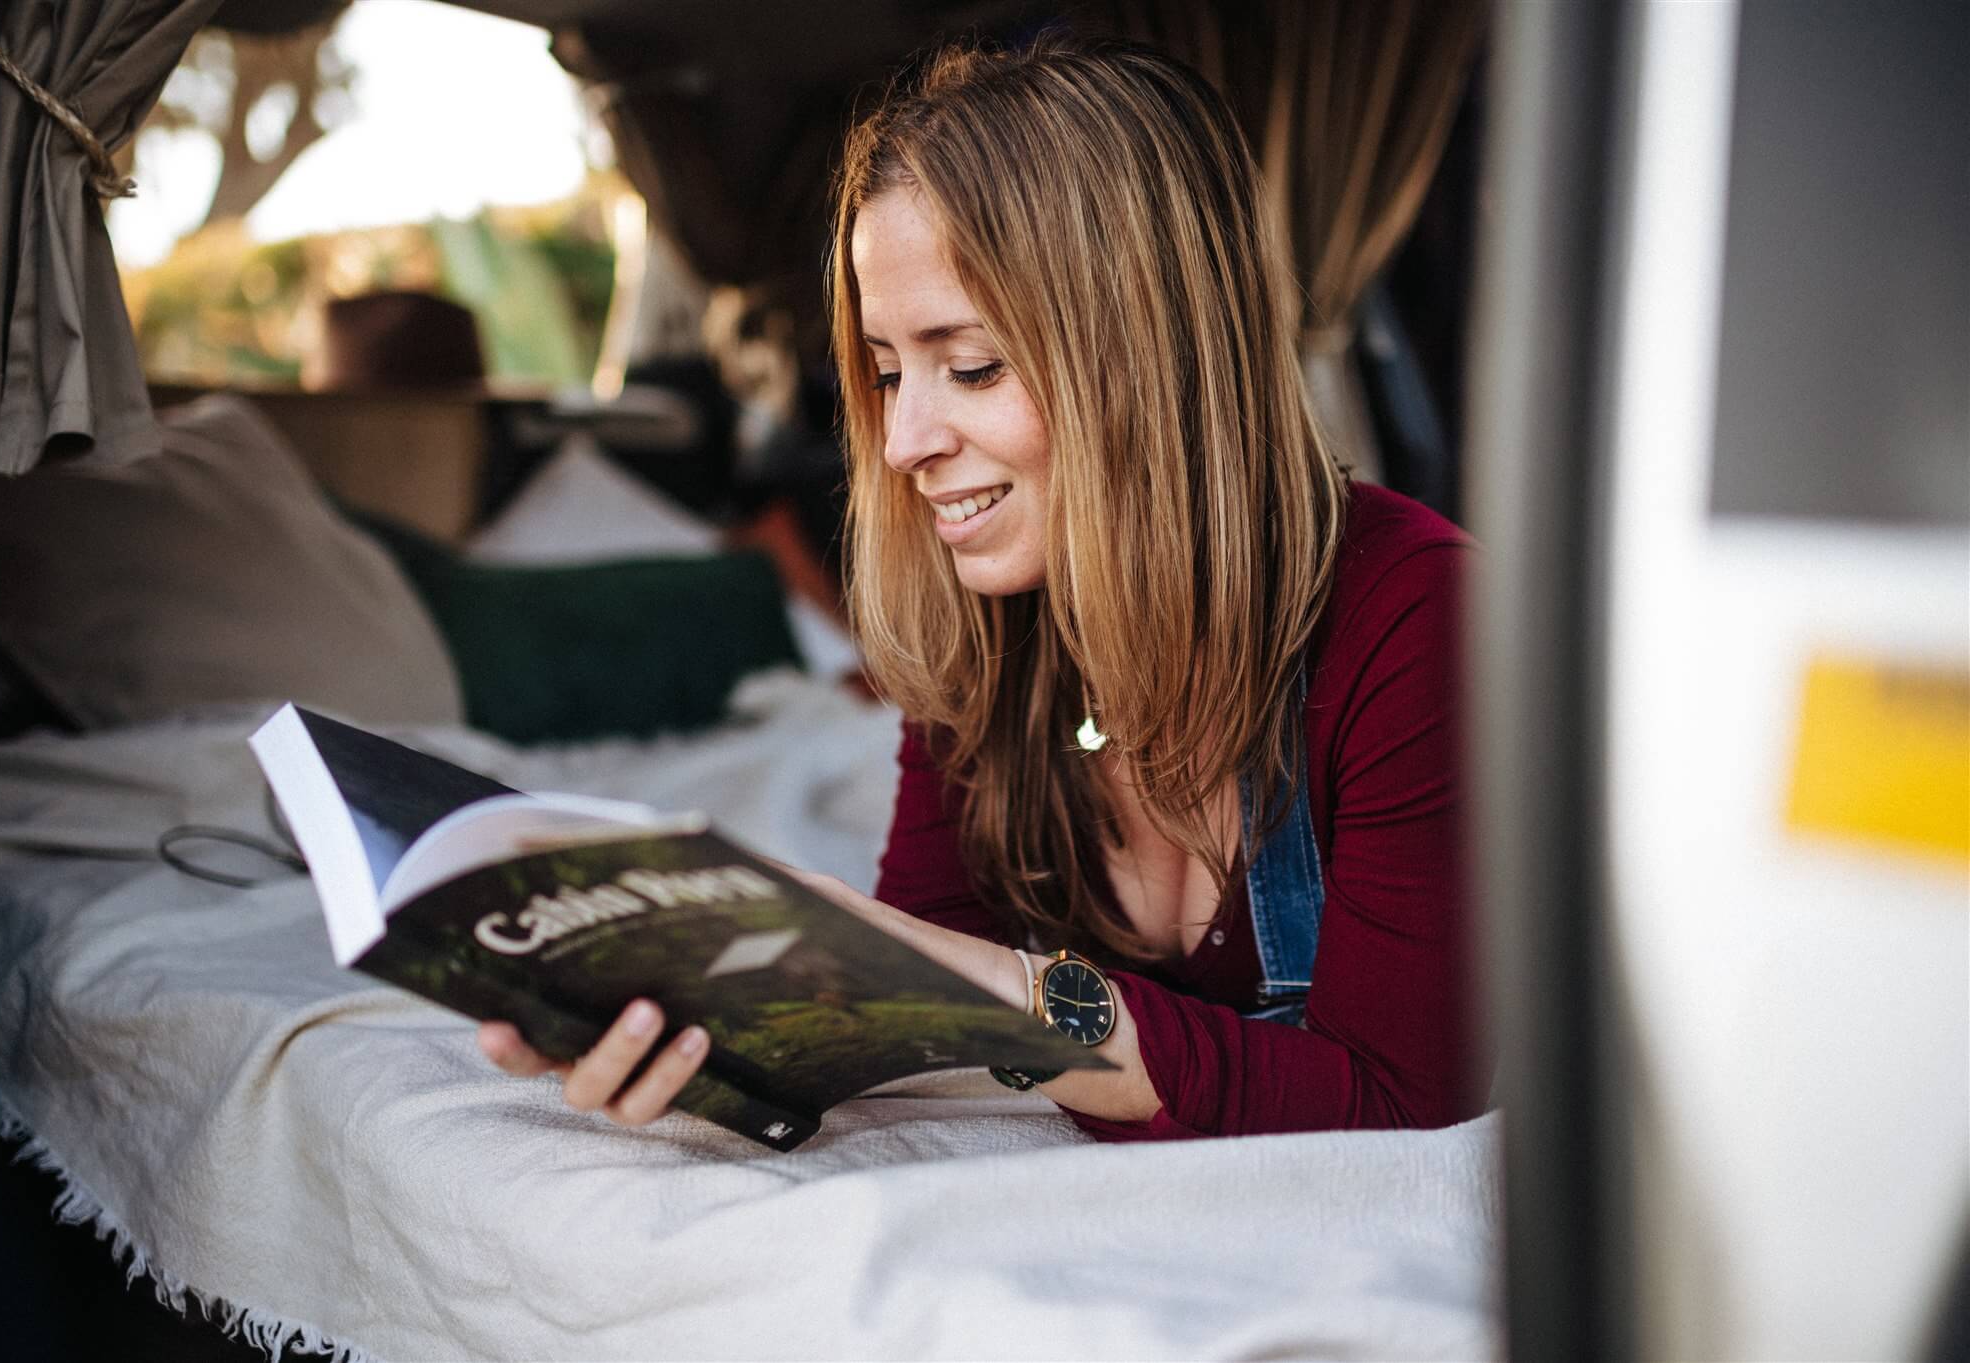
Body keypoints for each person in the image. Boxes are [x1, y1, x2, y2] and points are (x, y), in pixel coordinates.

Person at [479, 36, 1483, 1139]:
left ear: (1146, 357)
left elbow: (1398, 1106)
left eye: (971, 367)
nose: (903, 440)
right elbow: (923, 992)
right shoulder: (978, 633)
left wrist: (969, 984)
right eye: (882, 370)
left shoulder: (1416, 620)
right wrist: (699, 1012)